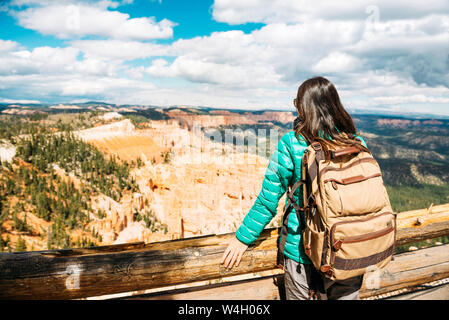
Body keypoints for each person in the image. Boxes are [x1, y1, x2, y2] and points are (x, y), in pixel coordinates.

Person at [220, 76, 367, 300]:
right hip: (349, 247)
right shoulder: (356, 142)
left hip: (303, 251)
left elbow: (267, 201)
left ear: (304, 107)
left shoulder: (292, 142)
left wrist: (242, 238)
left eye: (297, 103)